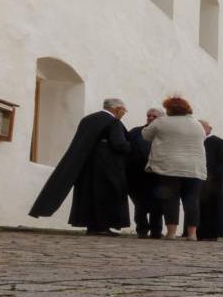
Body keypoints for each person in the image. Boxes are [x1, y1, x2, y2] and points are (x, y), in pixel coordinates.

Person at [28, 98, 132, 236]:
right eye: (124, 111)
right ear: (117, 109)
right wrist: (130, 146)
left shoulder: (88, 119)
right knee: (106, 195)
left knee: (88, 195)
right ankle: (102, 227)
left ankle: (92, 226)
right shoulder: (113, 122)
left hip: (86, 165)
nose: (123, 114)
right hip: (107, 167)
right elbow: (119, 144)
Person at [143, 97, 209, 241]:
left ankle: (171, 232)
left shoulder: (162, 122)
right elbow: (203, 138)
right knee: (192, 200)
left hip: (169, 167)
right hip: (194, 168)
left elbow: (145, 135)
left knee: (171, 200)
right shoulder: (196, 124)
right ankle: (192, 234)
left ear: (169, 109)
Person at [126, 108, 166, 239]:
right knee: (140, 204)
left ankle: (156, 230)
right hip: (138, 174)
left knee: (158, 204)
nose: (150, 118)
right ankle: (142, 229)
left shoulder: (165, 134)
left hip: (158, 175)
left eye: (154, 116)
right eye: (148, 115)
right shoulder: (136, 132)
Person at [197, 121, 223, 241]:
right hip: (198, 179)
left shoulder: (218, 142)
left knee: (212, 207)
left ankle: (212, 234)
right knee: (197, 206)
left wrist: (215, 175)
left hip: (214, 183)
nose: (200, 129)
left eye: (202, 126)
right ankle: (196, 232)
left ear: (210, 128)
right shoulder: (195, 142)